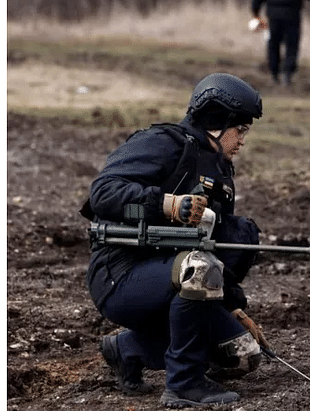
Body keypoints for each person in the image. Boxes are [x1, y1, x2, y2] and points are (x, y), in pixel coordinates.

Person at [81, 73, 271, 407]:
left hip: (173, 275)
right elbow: (102, 193)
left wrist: (234, 307)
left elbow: (214, 244)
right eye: (239, 130)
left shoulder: (219, 170)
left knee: (242, 355)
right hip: (120, 273)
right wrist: (167, 204)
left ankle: (126, 349)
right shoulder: (164, 143)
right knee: (199, 268)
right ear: (216, 121)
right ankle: (184, 384)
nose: (242, 140)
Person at [251, 0, 310, 86]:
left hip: (273, 16)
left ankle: (274, 74)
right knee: (291, 45)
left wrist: (255, 12)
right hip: (292, 15)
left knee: (273, 45)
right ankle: (287, 75)